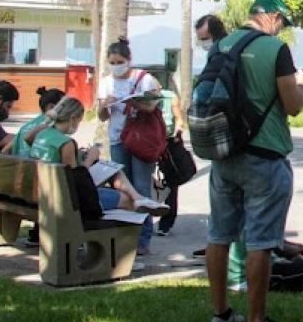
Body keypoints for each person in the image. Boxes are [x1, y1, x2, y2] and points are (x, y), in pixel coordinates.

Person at [204, 0, 303, 322]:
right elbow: (292, 106)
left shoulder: (220, 45)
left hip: (224, 152)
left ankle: (220, 316)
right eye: (282, 22)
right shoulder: (274, 50)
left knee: (219, 235)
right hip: (264, 156)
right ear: (271, 17)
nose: (282, 29)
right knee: (261, 242)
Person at [27, 95, 169, 216]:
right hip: (64, 199)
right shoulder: (66, 143)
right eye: (79, 121)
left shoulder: (41, 134)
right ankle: (126, 231)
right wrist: (91, 158)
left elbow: (28, 138)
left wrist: (48, 120)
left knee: (111, 171)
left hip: (41, 191)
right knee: (126, 201)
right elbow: (75, 179)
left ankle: (138, 198)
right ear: (73, 119)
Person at [96, 38, 163, 255]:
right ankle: (126, 236)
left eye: (120, 61)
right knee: (122, 189)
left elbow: (152, 105)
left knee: (141, 188)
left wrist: (132, 102)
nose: (116, 66)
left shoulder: (145, 80)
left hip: (141, 140)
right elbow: (102, 115)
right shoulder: (106, 82)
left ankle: (143, 238)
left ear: (129, 59)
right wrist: (106, 105)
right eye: (113, 62)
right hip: (118, 139)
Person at [154, 87, 188, 237]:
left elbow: (178, 117)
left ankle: (166, 223)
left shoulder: (169, 97)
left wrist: (178, 129)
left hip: (167, 143)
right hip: (148, 142)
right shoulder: (140, 99)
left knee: (170, 183)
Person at [12, 87, 67, 159]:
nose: (68, 111)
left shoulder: (25, 127)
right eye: (65, 106)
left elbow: (9, 151)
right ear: (51, 107)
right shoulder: (52, 128)